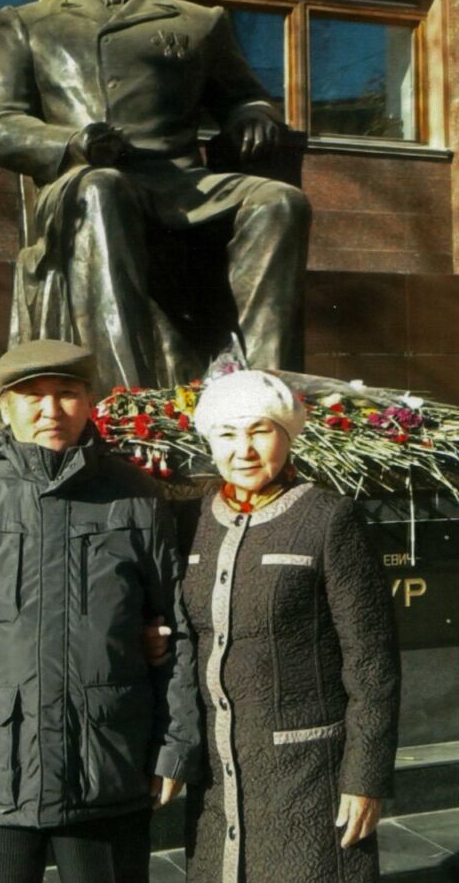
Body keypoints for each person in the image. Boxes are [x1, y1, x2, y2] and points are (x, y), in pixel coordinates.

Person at [0, 0, 311, 393]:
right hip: (80, 180)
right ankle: (127, 401)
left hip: (183, 184)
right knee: (103, 187)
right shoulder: (30, 22)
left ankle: (264, 395)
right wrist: (70, 143)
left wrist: (252, 115)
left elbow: (244, 96)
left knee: (281, 202)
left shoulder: (198, 21)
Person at [0, 339, 201, 883]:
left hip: (105, 766)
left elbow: (174, 628)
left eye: (66, 393)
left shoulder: (135, 497)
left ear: (88, 402)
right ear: (6, 408)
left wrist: (174, 746)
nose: (51, 410)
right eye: (32, 396)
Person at [181, 370, 400, 883]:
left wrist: (365, 777)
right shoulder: (191, 522)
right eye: (227, 434)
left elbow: (371, 661)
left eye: (260, 431)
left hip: (308, 776)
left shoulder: (329, 519)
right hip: (217, 779)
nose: (244, 450)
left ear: (286, 435)